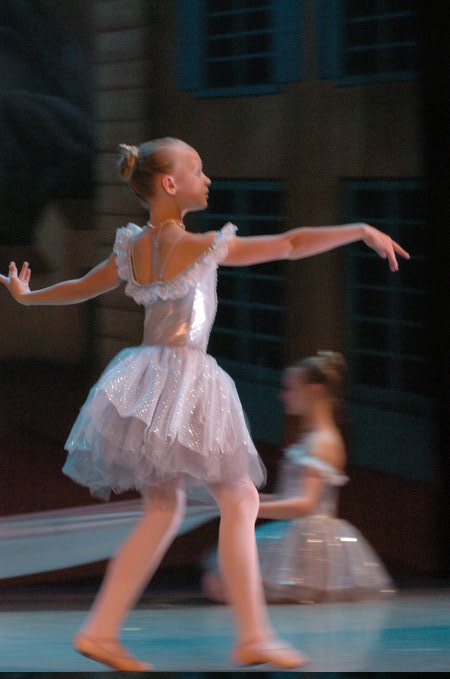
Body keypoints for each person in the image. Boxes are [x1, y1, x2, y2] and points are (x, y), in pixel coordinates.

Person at [0, 137, 408, 671]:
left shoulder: (132, 249)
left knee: (165, 509)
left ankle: (102, 630)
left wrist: (29, 297)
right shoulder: (202, 246)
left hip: (144, 383)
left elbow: (81, 287)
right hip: (185, 381)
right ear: (170, 184)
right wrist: (358, 229)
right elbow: (290, 244)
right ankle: (252, 636)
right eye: (197, 169)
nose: (207, 178)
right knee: (238, 499)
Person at [202, 352, 395, 605]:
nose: (284, 396)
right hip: (297, 534)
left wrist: (249, 506)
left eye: (290, 389)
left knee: (224, 583)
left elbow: (305, 505)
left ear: (314, 390)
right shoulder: (312, 438)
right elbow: (289, 497)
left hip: (310, 542)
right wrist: (242, 498)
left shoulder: (323, 441)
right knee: (221, 581)